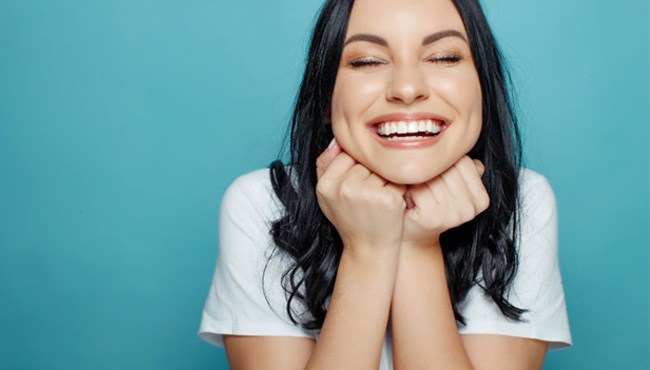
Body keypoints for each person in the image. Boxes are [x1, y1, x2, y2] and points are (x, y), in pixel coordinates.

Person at [199, 0, 571, 368]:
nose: (407, 88)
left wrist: (417, 245)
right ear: (325, 100)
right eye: (367, 61)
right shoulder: (262, 203)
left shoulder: (523, 201)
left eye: (444, 57)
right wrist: (368, 250)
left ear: (483, 88)